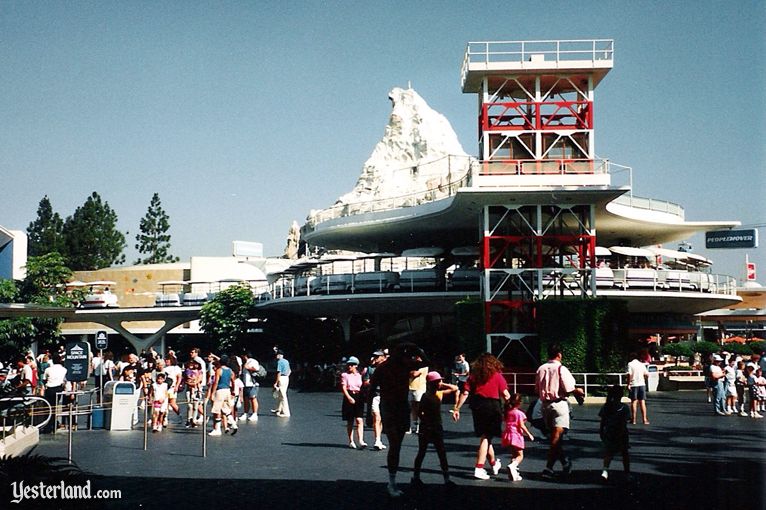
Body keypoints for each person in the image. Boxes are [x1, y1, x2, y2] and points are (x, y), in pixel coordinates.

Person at [368, 342, 428, 497]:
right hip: (392, 408)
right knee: (395, 445)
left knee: (397, 445)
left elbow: (426, 363)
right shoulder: (398, 367)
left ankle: (392, 480)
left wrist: (368, 411)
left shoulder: (399, 366)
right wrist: (417, 349)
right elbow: (426, 361)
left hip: (397, 408)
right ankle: (392, 482)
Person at [452, 352, 510, 480]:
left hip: (477, 406)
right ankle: (479, 468)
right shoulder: (497, 376)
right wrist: (510, 409)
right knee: (486, 437)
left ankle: (494, 464)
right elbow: (506, 395)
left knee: (486, 436)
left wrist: (457, 408)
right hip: (492, 406)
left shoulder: (473, 377)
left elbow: (465, 393)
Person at [535, 343, 585, 479]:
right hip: (559, 404)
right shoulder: (561, 368)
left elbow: (536, 388)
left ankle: (563, 463)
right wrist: (579, 391)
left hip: (545, 405)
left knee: (554, 437)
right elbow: (569, 387)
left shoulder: (541, 368)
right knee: (556, 439)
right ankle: (549, 467)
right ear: (559, 355)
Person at [411, 371, 458, 488]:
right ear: (432, 383)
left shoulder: (439, 393)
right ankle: (415, 477)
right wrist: (426, 421)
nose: (440, 383)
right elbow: (419, 412)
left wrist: (442, 384)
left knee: (441, 453)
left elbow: (455, 388)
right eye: (438, 381)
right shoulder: (425, 396)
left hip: (436, 426)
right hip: (428, 427)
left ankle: (446, 479)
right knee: (423, 452)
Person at [599, 385, 631, 481]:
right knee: (624, 453)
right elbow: (626, 421)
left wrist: (601, 431)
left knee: (609, 452)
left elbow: (602, 421)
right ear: (621, 395)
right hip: (621, 433)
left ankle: (605, 471)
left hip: (610, 432)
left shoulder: (606, 406)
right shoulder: (624, 408)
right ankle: (627, 473)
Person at [501, 393, 534, 481]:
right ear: (519, 403)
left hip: (508, 434)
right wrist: (529, 434)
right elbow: (521, 425)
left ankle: (513, 473)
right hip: (516, 435)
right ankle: (513, 466)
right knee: (520, 455)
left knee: (514, 454)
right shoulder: (519, 413)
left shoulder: (508, 412)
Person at [363, 350, 387, 450]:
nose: (375, 358)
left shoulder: (388, 368)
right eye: (375, 356)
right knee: (376, 417)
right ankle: (377, 440)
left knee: (381, 418)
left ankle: (379, 440)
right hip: (375, 395)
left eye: (378, 356)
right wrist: (373, 382)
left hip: (386, 396)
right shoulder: (371, 369)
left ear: (383, 357)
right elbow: (365, 382)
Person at [341, 356, 367, 448]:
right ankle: (351, 441)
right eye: (349, 365)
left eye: (352, 365)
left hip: (359, 396)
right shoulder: (345, 375)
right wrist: (348, 397)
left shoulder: (360, 375)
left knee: (359, 419)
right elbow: (344, 387)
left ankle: (361, 440)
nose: (350, 366)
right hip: (349, 395)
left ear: (356, 365)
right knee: (350, 420)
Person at [207, 358, 237, 436]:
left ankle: (217, 429)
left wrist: (212, 393)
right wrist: (233, 390)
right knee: (226, 409)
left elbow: (216, 382)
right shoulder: (230, 371)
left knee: (217, 410)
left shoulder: (219, 370)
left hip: (220, 391)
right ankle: (233, 423)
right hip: (227, 390)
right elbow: (233, 381)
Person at [42, 355, 67, 434]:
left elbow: (44, 380)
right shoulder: (64, 369)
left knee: (48, 407)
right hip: (59, 389)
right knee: (55, 406)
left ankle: (48, 426)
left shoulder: (48, 369)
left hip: (49, 389)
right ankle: (54, 424)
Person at [627, 352, 649, 425]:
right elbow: (647, 374)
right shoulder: (641, 364)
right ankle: (644, 419)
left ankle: (633, 420)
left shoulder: (630, 364)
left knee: (634, 402)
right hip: (642, 384)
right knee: (642, 402)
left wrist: (628, 384)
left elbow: (629, 374)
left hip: (634, 384)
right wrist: (643, 379)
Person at [408, 358, 428, 434]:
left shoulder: (424, 366)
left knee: (420, 407)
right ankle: (414, 425)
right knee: (412, 407)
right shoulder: (411, 365)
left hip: (420, 389)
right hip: (410, 388)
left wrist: (410, 372)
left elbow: (414, 374)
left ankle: (420, 426)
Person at [239, 352, 260, 422]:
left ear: (245, 356)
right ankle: (245, 413)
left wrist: (248, 367)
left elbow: (257, 369)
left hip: (252, 383)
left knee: (253, 398)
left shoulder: (253, 361)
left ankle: (255, 414)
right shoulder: (246, 362)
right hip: (246, 384)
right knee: (246, 399)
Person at [272, 350, 291, 417]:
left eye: (277, 354)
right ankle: (278, 409)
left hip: (282, 378)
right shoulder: (286, 361)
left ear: (279, 355)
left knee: (283, 396)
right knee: (281, 394)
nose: (276, 356)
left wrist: (276, 382)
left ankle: (286, 413)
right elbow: (289, 370)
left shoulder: (280, 362)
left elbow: (279, 372)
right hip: (286, 378)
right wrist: (287, 376)